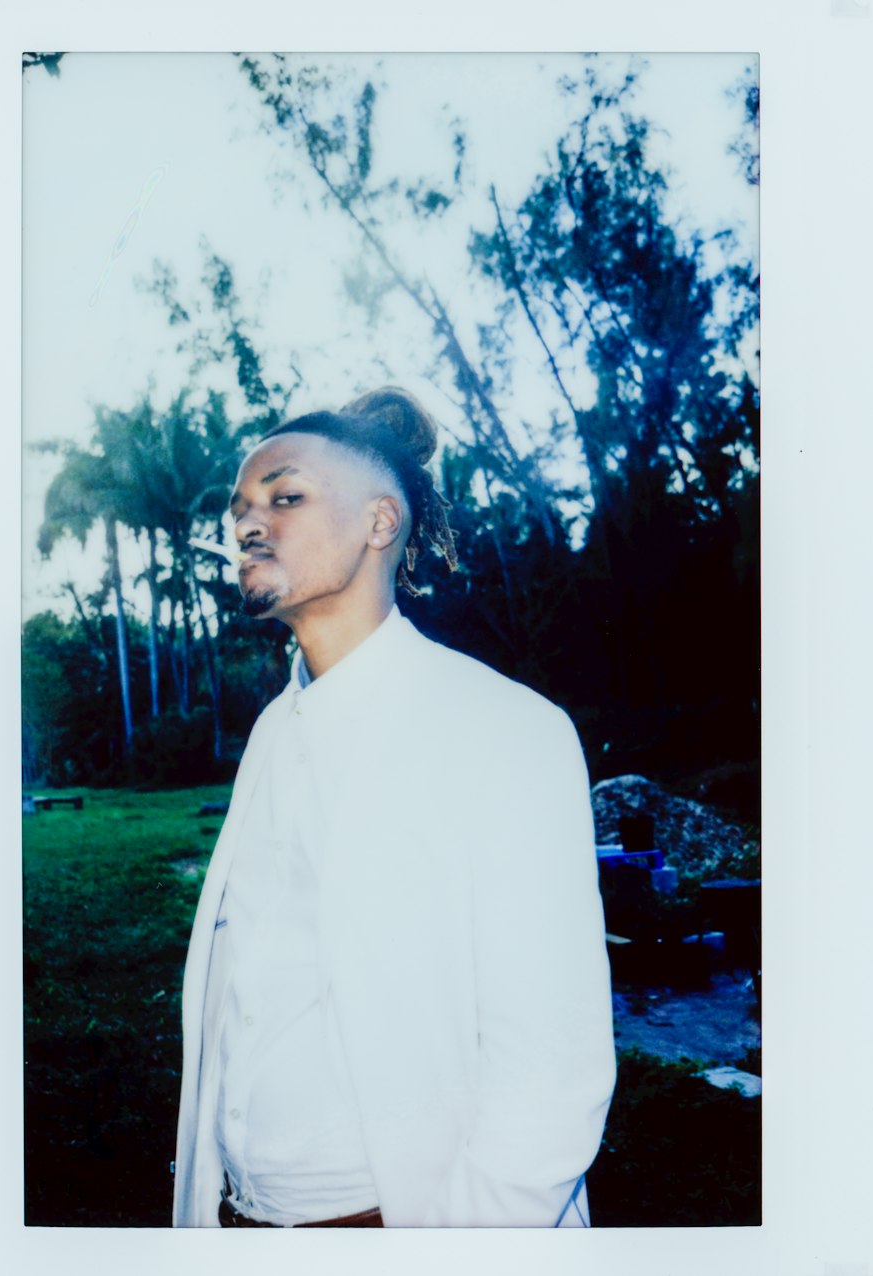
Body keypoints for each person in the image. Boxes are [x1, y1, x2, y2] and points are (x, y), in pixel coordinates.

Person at [172, 386, 616, 1228]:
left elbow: (551, 1072)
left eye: (285, 496)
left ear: (382, 522)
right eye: (240, 508)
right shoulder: (271, 732)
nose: (247, 523)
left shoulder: (508, 731)